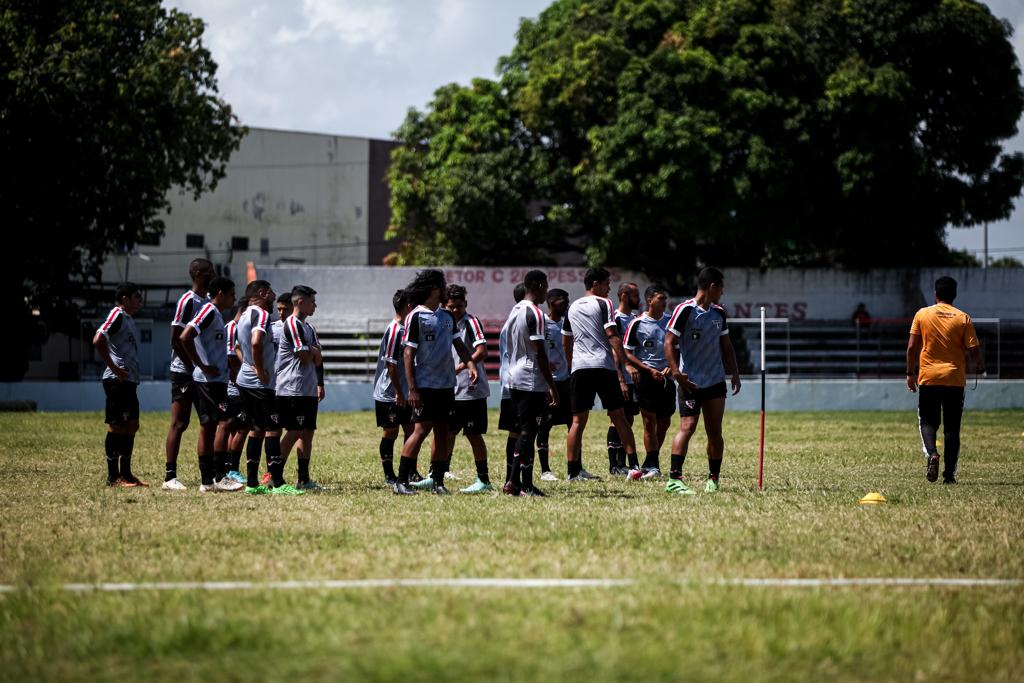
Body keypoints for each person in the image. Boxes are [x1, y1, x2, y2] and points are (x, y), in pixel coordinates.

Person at [393, 269, 478, 495]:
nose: (446, 290)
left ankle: (438, 482)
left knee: (442, 432)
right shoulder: (416, 317)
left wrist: (470, 364)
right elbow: (408, 354)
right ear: (433, 289)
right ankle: (401, 481)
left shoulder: (447, 316)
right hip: (425, 385)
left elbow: (459, 344)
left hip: (446, 385)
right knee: (420, 431)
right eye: (442, 285)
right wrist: (412, 389)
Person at [663, 267, 741, 495]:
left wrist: (734, 373)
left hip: (715, 381)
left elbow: (726, 346)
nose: (723, 293)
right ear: (712, 286)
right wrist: (677, 372)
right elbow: (668, 342)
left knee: (714, 431)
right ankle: (674, 480)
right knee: (687, 427)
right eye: (721, 288)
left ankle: (713, 479)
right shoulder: (685, 310)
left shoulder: (719, 313)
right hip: (690, 382)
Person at [562, 267, 638, 481]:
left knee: (577, 421)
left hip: (579, 368)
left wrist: (571, 364)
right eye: (606, 284)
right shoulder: (604, 303)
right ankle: (633, 466)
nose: (609, 288)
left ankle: (572, 472)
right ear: (595, 284)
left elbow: (566, 340)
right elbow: (612, 334)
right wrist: (626, 363)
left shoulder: (573, 306)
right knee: (619, 417)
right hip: (602, 366)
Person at [906, 276, 984, 484]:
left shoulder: (922, 314)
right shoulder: (963, 318)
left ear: (935, 294)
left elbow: (912, 347)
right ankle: (949, 475)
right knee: (952, 428)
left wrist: (909, 372)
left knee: (928, 421)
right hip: (954, 379)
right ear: (955, 295)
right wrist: (980, 365)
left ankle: (932, 454)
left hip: (929, 378)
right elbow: (974, 349)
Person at [179, 276, 244, 492]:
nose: (234, 299)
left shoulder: (215, 314)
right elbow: (186, 336)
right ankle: (214, 478)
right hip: (208, 381)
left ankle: (210, 480)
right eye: (232, 294)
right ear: (220, 294)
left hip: (216, 380)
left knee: (213, 425)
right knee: (217, 425)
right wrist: (202, 365)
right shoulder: (208, 311)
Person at [503, 270, 559, 496]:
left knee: (523, 431)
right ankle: (515, 483)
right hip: (530, 379)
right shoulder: (534, 313)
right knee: (528, 433)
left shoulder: (515, 310)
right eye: (545, 286)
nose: (547, 291)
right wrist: (552, 386)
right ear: (536, 285)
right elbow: (541, 354)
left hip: (515, 376)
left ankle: (522, 482)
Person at [162, 258, 214, 491]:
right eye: (210, 271)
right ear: (199, 273)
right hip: (185, 372)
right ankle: (169, 476)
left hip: (200, 372)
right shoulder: (188, 300)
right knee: (179, 422)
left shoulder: (207, 302)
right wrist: (193, 365)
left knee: (207, 421)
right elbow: (176, 339)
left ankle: (208, 477)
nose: (213, 273)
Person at [235, 279, 291, 495]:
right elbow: (257, 342)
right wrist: (259, 369)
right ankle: (277, 483)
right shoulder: (262, 314)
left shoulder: (242, 315)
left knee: (256, 430)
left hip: (244, 381)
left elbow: (240, 345)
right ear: (261, 293)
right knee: (272, 430)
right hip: (260, 383)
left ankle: (251, 483)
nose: (274, 295)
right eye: (271, 292)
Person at [623, 285, 680, 479]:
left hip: (667, 378)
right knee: (649, 422)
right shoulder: (637, 323)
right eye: (661, 299)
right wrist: (646, 370)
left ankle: (650, 460)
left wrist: (672, 368)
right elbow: (627, 352)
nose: (665, 302)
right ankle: (653, 464)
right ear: (650, 301)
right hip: (646, 379)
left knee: (664, 423)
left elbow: (678, 349)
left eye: (665, 299)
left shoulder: (671, 322)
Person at [93, 282, 146, 487]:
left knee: (132, 425)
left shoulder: (129, 319)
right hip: (117, 382)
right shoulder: (116, 314)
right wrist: (114, 368)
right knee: (117, 426)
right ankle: (113, 477)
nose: (140, 301)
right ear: (125, 299)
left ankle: (127, 474)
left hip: (129, 381)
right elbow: (98, 339)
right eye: (136, 297)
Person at [444, 284, 494, 494]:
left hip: (470, 389)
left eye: (460, 306)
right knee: (446, 431)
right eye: (452, 306)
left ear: (466, 304)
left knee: (473, 434)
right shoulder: (443, 323)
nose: (456, 310)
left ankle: (483, 479)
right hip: (449, 387)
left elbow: (482, 351)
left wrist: (460, 367)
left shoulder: (471, 322)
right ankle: (439, 472)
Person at [275, 285, 322, 494]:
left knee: (307, 432)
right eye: (312, 301)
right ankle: (275, 477)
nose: (315, 305)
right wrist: (313, 351)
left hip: (308, 388)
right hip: (292, 388)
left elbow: (318, 357)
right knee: (294, 431)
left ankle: (303, 479)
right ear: (300, 302)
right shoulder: (292, 324)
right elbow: (305, 357)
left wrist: (312, 352)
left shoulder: (309, 328)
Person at [372, 289, 413, 485]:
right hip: (390, 392)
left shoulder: (405, 328)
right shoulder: (395, 330)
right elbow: (390, 364)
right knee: (391, 432)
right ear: (408, 306)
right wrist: (398, 391)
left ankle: (410, 472)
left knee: (411, 430)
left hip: (404, 391)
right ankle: (389, 475)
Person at [536, 288, 571, 481]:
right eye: (562, 301)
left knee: (573, 423)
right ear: (551, 302)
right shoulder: (542, 324)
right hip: (548, 383)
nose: (566, 304)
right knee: (544, 426)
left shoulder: (569, 324)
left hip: (567, 381)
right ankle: (545, 470)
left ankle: (575, 468)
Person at [608, 281, 641, 475]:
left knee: (629, 419)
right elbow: (614, 352)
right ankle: (615, 465)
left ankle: (622, 463)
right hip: (620, 377)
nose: (638, 299)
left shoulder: (635, 319)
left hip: (634, 378)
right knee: (617, 419)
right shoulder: (616, 319)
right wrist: (620, 378)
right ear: (623, 296)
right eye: (635, 295)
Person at [498, 283, 527, 484]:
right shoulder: (522, 318)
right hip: (520, 384)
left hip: (510, 383)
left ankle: (512, 477)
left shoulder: (511, 318)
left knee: (516, 431)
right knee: (523, 432)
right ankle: (515, 479)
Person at [220, 308, 248, 484]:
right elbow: (231, 359)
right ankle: (231, 468)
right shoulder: (233, 327)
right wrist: (240, 381)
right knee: (241, 427)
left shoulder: (237, 327)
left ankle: (228, 468)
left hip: (237, 386)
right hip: (234, 387)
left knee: (236, 426)